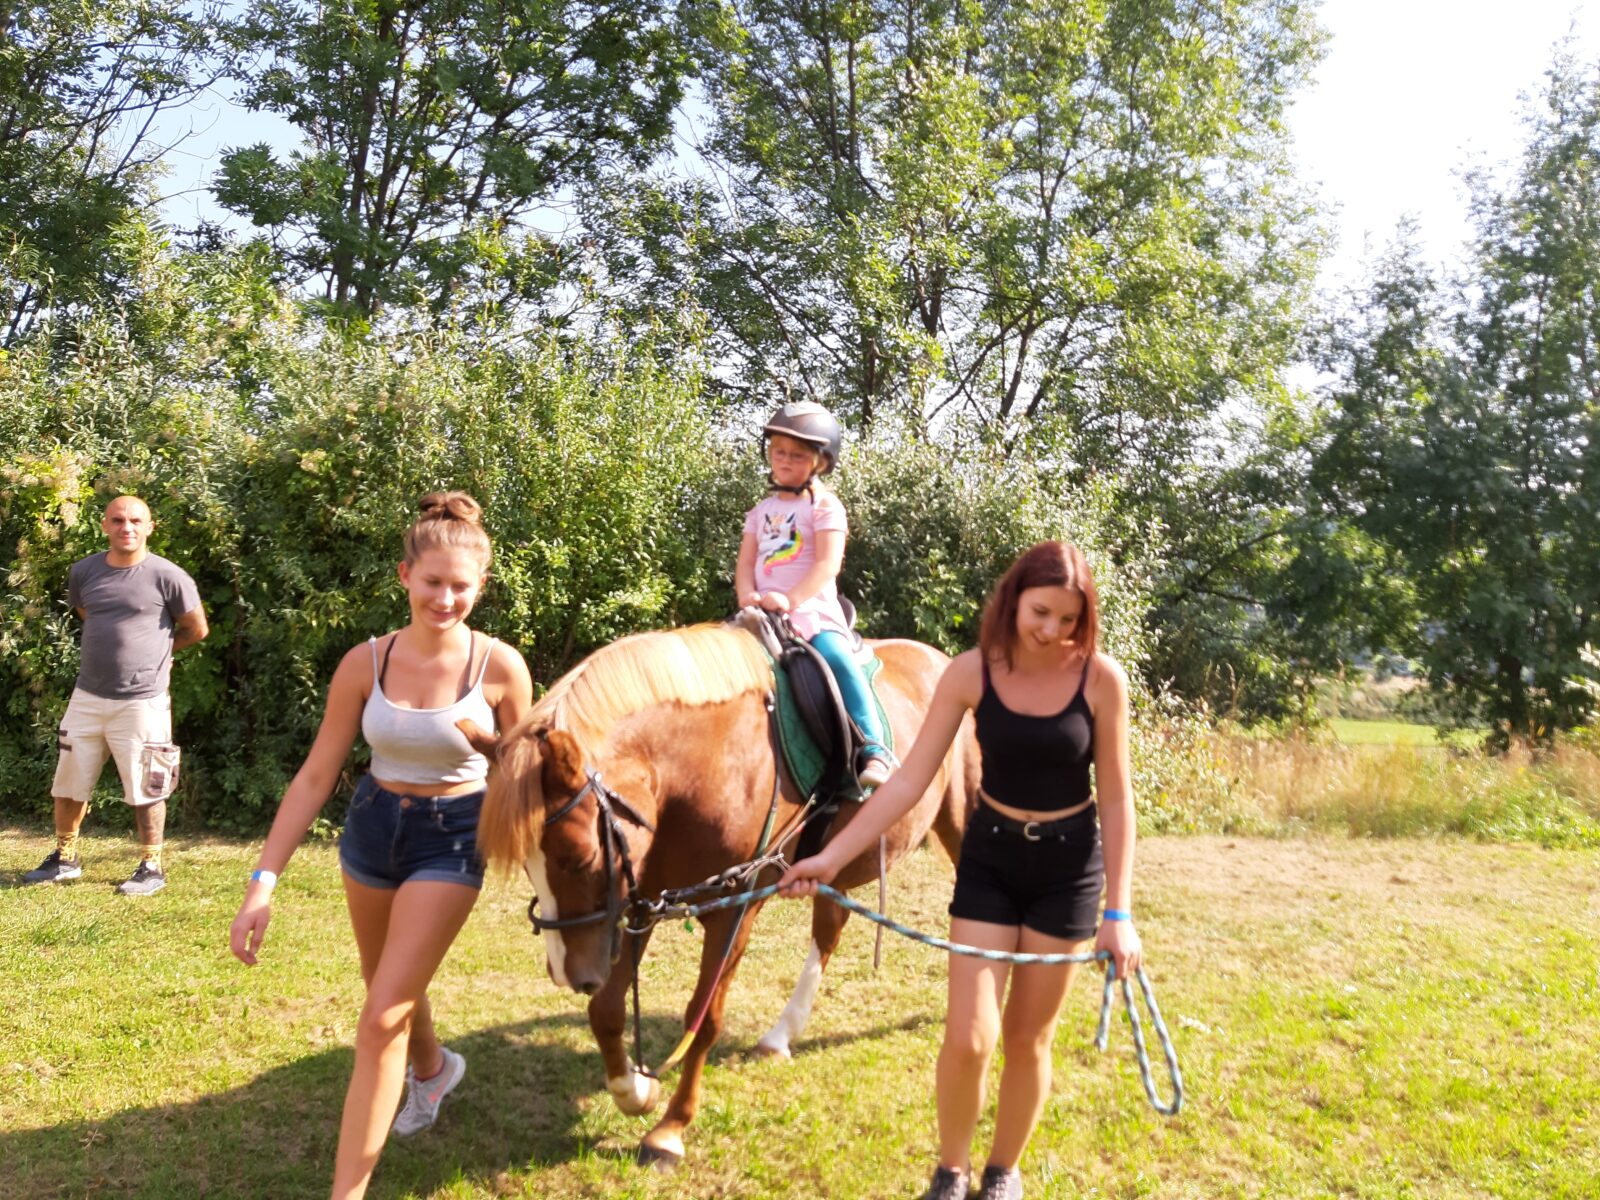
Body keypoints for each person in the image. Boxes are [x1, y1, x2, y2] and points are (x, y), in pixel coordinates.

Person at [778, 541, 1141, 1200]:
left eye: (1068, 618)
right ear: (1013, 601)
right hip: (992, 861)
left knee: (1028, 1039)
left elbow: (1116, 799)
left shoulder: (1100, 681)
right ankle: (951, 1171)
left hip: (1068, 872)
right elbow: (908, 780)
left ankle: (1003, 1172)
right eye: (1040, 613)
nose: (1052, 630)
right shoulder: (972, 673)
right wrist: (828, 856)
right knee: (971, 1037)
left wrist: (1119, 913)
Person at [228, 492, 532, 1200]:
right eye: (433, 582)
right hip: (371, 828)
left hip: (453, 836)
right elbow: (315, 776)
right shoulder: (364, 662)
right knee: (388, 988)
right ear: (404, 576)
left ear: (481, 586)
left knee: (381, 1016)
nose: (446, 599)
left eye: (461, 586)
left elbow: (525, 778)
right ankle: (433, 1071)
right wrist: (262, 884)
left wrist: (510, 780)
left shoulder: (500, 667)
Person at [24, 495, 208, 895]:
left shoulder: (169, 576)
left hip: (142, 700)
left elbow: (196, 629)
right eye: (119, 520)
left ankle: (151, 867)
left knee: (148, 785)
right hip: (87, 696)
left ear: (150, 527)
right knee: (69, 781)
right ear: (105, 525)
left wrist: (158, 653)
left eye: (136, 521)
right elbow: (88, 614)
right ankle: (65, 859)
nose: (127, 527)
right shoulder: (84, 571)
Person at [736, 400, 892, 787]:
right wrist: (746, 594)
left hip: (812, 613)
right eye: (779, 452)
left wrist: (789, 599)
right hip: (762, 614)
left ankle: (875, 749)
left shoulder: (825, 506)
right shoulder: (760, 511)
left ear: (820, 462)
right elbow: (746, 562)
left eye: (797, 455)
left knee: (838, 659)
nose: (785, 461)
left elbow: (827, 564)